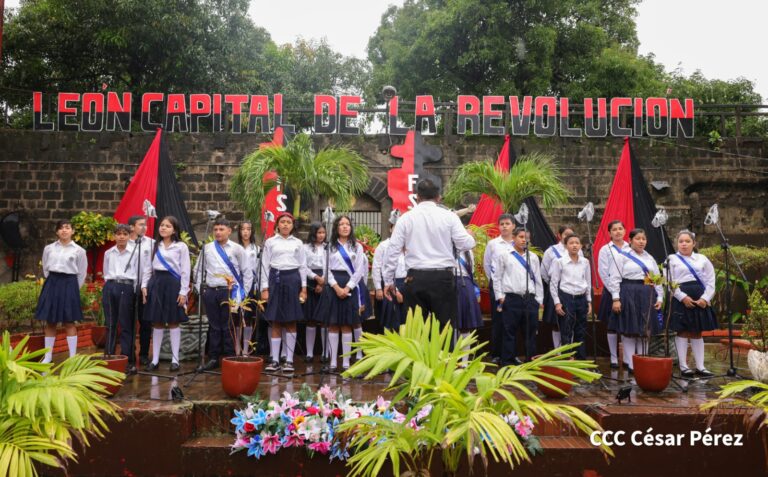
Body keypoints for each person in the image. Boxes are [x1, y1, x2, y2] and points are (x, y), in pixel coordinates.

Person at [383, 179, 476, 327]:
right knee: (445, 329)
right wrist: (471, 236)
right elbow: (466, 244)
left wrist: (388, 281)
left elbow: (393, 251)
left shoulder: (405, 218)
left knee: (417, 330)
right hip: (443, 278)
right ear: (438, 197)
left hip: (415, 278)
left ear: (417, 197)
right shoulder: (449, 217)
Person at [195, 217, 252, 371]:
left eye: (221, 229)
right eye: (216, 230)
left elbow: (247, 271)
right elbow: (199, 270)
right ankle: (213, 357)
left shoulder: (236, 249)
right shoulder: (207, 248)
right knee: (213, 326)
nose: (218, 232)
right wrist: (201, 288)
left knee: (229, 326)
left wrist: (244, 292)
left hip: (230, 292)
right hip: (211, 291)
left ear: (229, 231)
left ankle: (229, 356)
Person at [314, 215, 367, 371]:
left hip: (350, 284)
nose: (345, 227)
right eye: (341, 224)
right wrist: (336, 287)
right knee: (333, 325)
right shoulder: (329, 247)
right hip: (333, 286)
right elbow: (326, 268)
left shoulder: (357, 246)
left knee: (346, 325)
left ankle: (345, 362)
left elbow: (359, 271)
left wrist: (348, 287)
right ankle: (332, 362)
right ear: (336, 228)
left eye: (347, 224)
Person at [607, 228, 663, 373]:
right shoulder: (622, 256)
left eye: (643, 239)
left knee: (645, 329)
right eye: (638, 239)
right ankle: (631, 363)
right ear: (630, 241)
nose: (641, 242)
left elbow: (657, 279)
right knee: (629, 329)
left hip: (646, 293)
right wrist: (616, 298)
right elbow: (614, 278)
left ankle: (643, 359)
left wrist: (660, 297)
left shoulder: (649, 258)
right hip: (628, 292)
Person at [141, 216, 191, 372]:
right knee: (157, 321)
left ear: (174, 230)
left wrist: (184, 291)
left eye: (167, 226)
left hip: (173, 284)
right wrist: (144, 285)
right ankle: (155, 359)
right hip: (156, 283)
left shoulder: (181, 246)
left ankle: (175, 359)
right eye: (162, 225)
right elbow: (148, 267)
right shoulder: (155, 245)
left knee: (174, 320)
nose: (163, 228)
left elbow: (185, 270)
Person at [260, 212, 307, 373]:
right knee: (276, 320)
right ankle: (274, 360)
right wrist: (264, 288)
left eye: (289, 222)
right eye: (283, 222)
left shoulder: (298, 243)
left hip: (293, 279)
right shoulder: (270, 242)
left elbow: (302, 266)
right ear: (277, 225)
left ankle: (289, 360)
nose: (286, 224)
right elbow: (265, 266)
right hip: (276, 279)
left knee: (291, 320)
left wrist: (304, 288)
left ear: (293, 226)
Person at [35, 219, 88, 364]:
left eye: (67, 228)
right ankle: (48, 356)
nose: (64, 230)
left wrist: (73, 289)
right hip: (52, 282)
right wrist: (53, 282)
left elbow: (82, 272)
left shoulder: (79, 251)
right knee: (50, 321)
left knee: (69, 322)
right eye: (61, 228)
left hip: (70, 284)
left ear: (72, 231)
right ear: (57, 231)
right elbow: (46, 268)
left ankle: (72, 357)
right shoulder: (49, 248)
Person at [668, 230, 717, 378]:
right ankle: (684, 366)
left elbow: (710, 280)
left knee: (697, 331)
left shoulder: (702, 259)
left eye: (687, 241)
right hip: (681, 298)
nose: (684, 244)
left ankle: (701, 366)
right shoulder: (671, 259)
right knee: (682, 330)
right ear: (677, 243)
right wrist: (682, 297)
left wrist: (705, 298)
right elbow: (669, 282)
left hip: (700, 297)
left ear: (694, 243)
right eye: (681, 241)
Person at [492, 226, 543, 365]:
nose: (524, 240)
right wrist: (500, 296)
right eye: (521, 237)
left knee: (530, 332)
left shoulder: (532, 257)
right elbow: (497, 277)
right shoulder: (504, 255)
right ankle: (507, 361)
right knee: (509, 332)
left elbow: (538, 279)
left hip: (529, 299)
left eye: (527, 238)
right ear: (513, 238)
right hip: (511, 298)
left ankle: (530, 361)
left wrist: (538, 299)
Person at [103, 224, 147, 372]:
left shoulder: (135, 252)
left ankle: (127, 357)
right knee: (110, 322)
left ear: (129, 236)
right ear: (114, 235)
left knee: (126, 323)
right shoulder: (109, 253)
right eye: (118, 234)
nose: (121, 237)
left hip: (127, 287)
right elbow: (105, 270)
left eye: (124, 234)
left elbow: (140, 272)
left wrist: (136, 290)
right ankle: (108, 355)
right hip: (110, 285)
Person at [549, 235, 592, 360]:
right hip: (566, 297)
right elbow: (553, 283)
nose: (574, 245)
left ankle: (580, 358)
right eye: (571, 243)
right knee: (566, 330)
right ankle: (566, 359)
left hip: (581, 298)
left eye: (577, 243)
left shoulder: (585, 262)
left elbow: (588, 282)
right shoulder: (560, 261)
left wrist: (588, 301)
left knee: (581, 330)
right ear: (566, 246)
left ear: (580, 246)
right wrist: (557, 303)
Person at [483, 213, 516, 362]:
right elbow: (487, 265)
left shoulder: (518, 243)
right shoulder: (493, 244)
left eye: (507, 223)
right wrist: (496, 283)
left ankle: (511, 355)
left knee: (513, 322)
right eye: (502, 224)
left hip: (514, 287)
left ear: (513, 226)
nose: (504, 226)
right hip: (497, 286)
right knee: (498, 320)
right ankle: (496, 354)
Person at [597, 220, 630, 368]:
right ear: (609, 233)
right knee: (611, 325)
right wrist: (614, 291)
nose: (617, 232)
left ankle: (627, 358)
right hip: (611, 290)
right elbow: (603, 272)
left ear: (624, 231)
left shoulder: (630, 248)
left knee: (626, 324)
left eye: (620, 229)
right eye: (614, 229)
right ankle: (613, 357)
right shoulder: (605, 249)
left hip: (628, 290)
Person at [541, 225, 580, 349]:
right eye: (566, 234)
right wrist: (556, 283)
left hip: (574, 288)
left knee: (572, 321)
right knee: (556, 322)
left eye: (571, 234)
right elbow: (544, 271)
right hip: (556, 289)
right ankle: (557, 352)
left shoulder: (578, 250)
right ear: (559, 235)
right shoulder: (551, 251)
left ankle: (570, 351)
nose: (569, 237)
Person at [128, 215, 155, 367]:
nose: (144, 227)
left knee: (145, 323)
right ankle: (129, 353)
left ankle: (144, 354)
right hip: (129, 287)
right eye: (140, 225)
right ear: (132, 227)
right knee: (129, 322)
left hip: (145, 288)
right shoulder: (126, 243)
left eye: (145, 225)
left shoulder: (151, 243)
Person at [373, 218, 407, 330]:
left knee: (406, 320)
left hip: (406, 284)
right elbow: (377, 267)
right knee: (390, 319)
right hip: (389, 284)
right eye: (395, 227)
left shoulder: (409, 245)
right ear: (390, 228)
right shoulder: (383, 246)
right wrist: (378, 287)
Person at [454, 248, 484, 363]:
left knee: (465, 324)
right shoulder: (445, 246)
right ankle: (453, 359)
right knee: (452, 325)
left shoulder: (468, 251)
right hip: (448, 283)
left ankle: (464, 361)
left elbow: (471, 272)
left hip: (464, 285)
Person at [303, 222, 328, 362]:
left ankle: (325, 353)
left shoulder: (328, 248)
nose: (321, 235)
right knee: (311, 319)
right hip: (311, 281)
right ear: (313, 233)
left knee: (324, 319)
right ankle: (309, 353)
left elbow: (331, 265)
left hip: (326, 281)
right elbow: (303, 266)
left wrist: (323, 281)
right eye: (319, 233)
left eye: (323, 233)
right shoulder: (305, 248)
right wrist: (316, 278)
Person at [237, 220, 261, 356]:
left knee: (248, 316)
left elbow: (257, 270)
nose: (245, 232)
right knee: (236, 317)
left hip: (251, 285)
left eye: (248, 229)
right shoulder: (235, 247)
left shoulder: (256, 249)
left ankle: (246, 348)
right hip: (237, 284)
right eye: (243, 229)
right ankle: (236, 347)